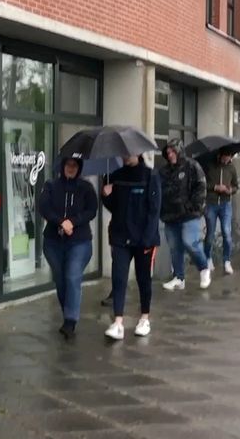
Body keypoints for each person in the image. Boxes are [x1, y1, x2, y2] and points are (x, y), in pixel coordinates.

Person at [101, 153, 161, 340]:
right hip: (120, 237)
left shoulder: (150, 176)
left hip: (144, 239)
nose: (127, 156)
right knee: (119, 279)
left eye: (130, 152)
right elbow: (114, 207)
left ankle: (144, 317)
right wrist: (106, 196)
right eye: (124, 153)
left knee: (144, 279)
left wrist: (148, 239)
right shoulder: (115, 175)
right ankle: (118, 322)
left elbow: (154, 210)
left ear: (139, 152)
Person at [40, 155, 98, 339]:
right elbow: (44, 207)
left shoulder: (86, 188)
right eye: (68, 164)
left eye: (75, 165)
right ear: (62, 166)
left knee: (72, 276)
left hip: (79, 242)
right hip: (53, 242)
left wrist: (73, 221)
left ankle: (70, 320)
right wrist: (60, 222)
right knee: (61, 279)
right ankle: (68, 311)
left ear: (79, 168)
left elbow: (91, 210)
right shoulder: (50, 186)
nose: (71, 168)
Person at [159, 139, 211, 290]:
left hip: (189, 214)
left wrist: (194, 206)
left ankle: (203, 268)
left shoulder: (192, 166)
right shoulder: (164, 171)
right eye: (168, 152)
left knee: (190, 242)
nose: (170, 155)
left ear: (179, 151)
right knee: (175, 247)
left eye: (173, 152)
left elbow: (201, 186)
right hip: (170, 215)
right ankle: (179, 277)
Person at [203, 150, 239, 275]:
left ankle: (227, 261)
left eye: (229, 157)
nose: (227, 160)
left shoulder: (231, 168)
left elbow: (236, 185)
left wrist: (230, 190)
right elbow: (203, 184)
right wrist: (215, 187)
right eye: (225, 157)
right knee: (210, 234)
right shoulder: (210, 166)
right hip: (211, 203)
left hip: (225, 204)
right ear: (220, 155)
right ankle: (208, 259)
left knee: (226, 232)